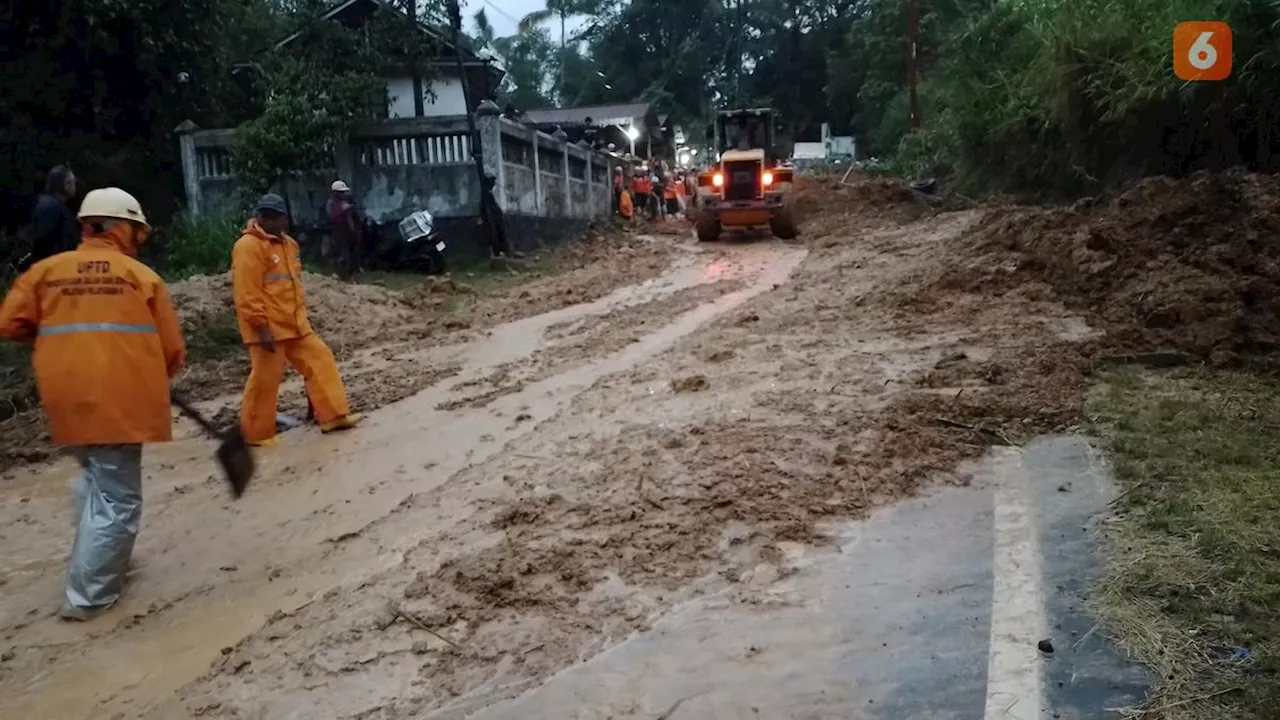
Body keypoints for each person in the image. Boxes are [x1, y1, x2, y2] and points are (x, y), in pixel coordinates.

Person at [0, 188, 186, 621]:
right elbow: (173, 352)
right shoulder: (140, 277)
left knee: (94, 475)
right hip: (118, 399)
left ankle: (103, 556)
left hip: (65, 395)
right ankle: (89, 597)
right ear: (122, 227)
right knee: (119, 499)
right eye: (136, 231)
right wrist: (145, 369)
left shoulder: (46, 272)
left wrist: (62, 344)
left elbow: (10, 323)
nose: (139, 239)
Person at [233, 193, 361, 447]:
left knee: (321, 360)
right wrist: (261, 326)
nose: (270, 222)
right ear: (259, 217)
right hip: (268, 328)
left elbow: (292, 286)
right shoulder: (248, 247)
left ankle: (333, 416)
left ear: (284, 219)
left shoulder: (289, 245)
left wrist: (301, 317)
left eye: (276, 217)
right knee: (265, 379)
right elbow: (247, 292)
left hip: (296, 325)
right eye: (265, 216)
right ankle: (256, 434)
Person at [18, 165, 79, 272]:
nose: (75, 186)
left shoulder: (44, 203)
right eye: (72, 182)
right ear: (66, 185)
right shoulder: (54, 208)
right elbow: (53, 243)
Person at [326, 180, 362, 281]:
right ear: (334, 192)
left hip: (349, 234)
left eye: (343, 192)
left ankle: (350, 275)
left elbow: (354, 217)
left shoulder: (346, 203)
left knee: (353, 255)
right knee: (343, 256)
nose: (343, 194)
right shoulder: (331, 204)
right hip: (338, 233)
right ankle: (341, 276)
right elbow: (332, 217)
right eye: (340, 192)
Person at [478, 174, 512, 258]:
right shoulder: (486, 194)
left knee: (498, 234)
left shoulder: (487, 193)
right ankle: (498, 252)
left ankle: (501, 252)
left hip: (493, 218)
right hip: (491, 220)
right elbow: (488, 208)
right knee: (495, 236)